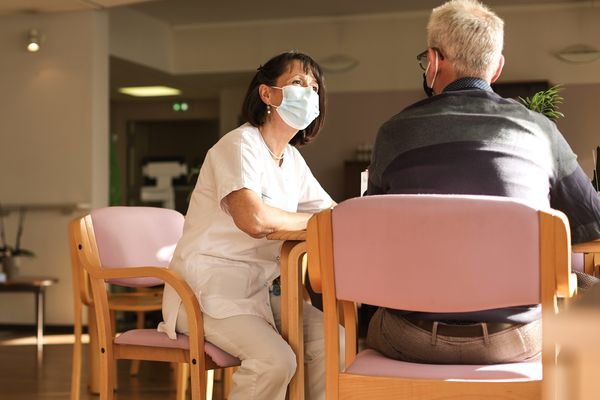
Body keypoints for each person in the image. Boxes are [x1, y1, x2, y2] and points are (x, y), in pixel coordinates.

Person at [366, 0, 600, 365]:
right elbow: (592, 223)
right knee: (587, 293)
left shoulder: (392, 133)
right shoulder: (539, 130)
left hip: (409, 337)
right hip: (514, 338)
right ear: (498, 66)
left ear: (432, 60)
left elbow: (371, 234)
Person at [158, 51, 336, 399]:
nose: (309, 94)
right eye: (298, 83)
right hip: (207, 291)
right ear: (267, 94)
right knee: (275, 362)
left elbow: (334, 214)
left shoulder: (292, 160)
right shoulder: (239, 146)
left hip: (261, 292)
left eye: (314, 88)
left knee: (336, 342)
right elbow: (254, 219)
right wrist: (319, 221)